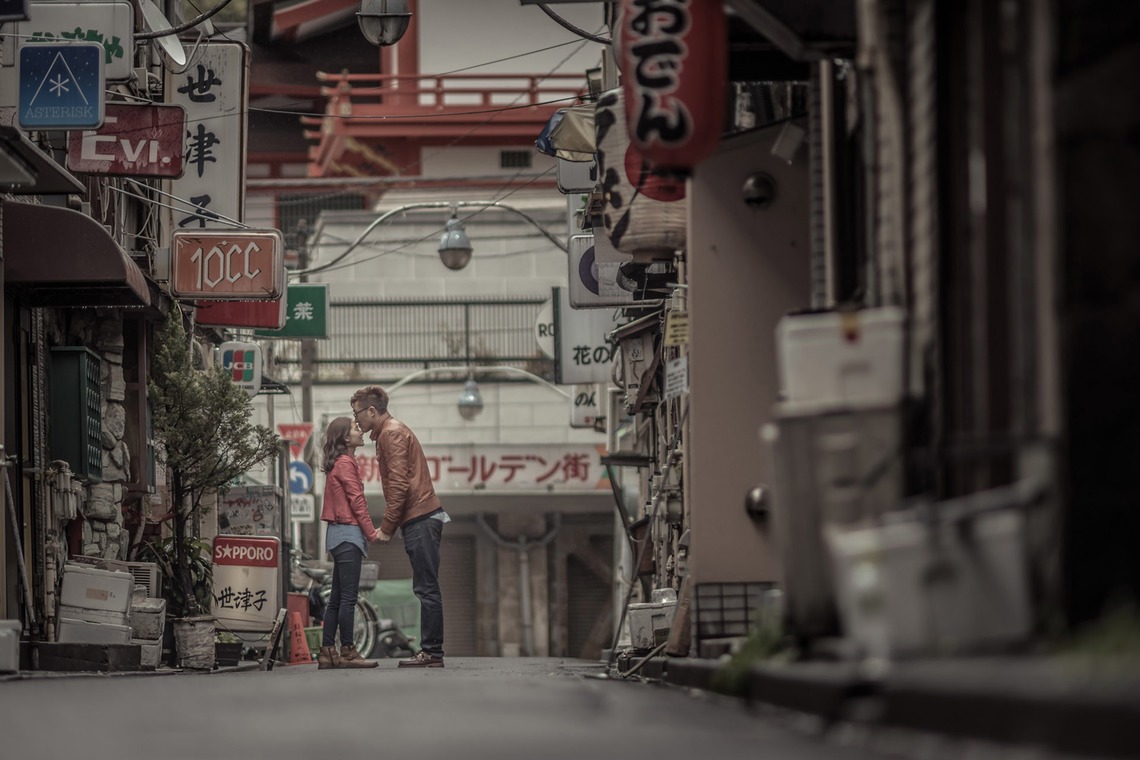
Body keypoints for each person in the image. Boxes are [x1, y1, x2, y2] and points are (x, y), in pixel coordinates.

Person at [351, 385, 448, 668]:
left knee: (426, 587)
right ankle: (432, 651)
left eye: (357, 412)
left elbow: (399, 485)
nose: (355, 419)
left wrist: (387, 527)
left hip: (420, 516)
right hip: (421, 516)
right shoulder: (388, 432)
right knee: (426, 585)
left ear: (372, 410)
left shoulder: (391, 433)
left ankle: (431, 652)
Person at [317, 416, 380, 669]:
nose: (360, 431)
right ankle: (348, 652)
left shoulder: (339, 463)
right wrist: (372, 533)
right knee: (348, 598)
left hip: (337, 535)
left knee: (337, 599)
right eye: (355, 429)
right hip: (348, 535)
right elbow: (357, 502)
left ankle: (327, 652)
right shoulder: (345, 463)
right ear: (345, 438)